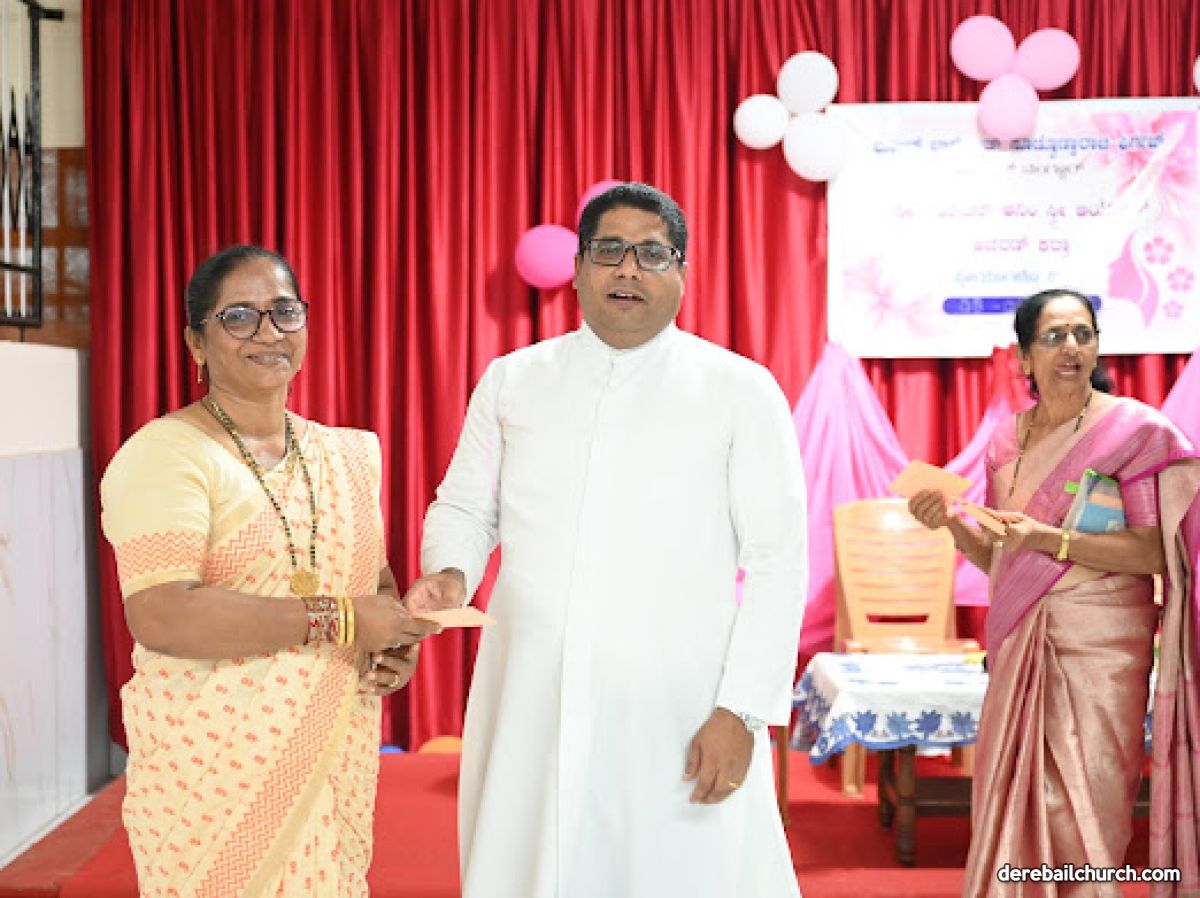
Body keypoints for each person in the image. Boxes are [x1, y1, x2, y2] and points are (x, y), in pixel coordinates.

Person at [410, 183, 808, 897]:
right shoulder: (513, 380)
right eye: (609, 251)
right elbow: (466, 507)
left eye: (652, 254)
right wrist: (449, 572)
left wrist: (742, 711)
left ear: (682, 272)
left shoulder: (739, 389)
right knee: (533, 862)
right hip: (534, 687)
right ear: (578, 268)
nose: (628, 269)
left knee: (681, 871)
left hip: (680, 697)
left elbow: (779, 561)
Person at [100, 245, 440, 898]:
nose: (268, 332)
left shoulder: (345, 454)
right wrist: (344, 620)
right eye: (239, 316)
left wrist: (392, 644)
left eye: (285, 311)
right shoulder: (165, 456)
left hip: (330, 764)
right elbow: (163, 614)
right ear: (195, 343)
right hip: (211, 779)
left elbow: (374, 582)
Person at [908, 288, 1200, 896]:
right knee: (1014, 796)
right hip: (1021, 641)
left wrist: (1050, 539)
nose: (1071, 347)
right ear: (1024, 357)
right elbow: (1003, 558)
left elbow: (1152, 552)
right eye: (1053, 336)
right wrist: (954, 525)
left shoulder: (1131, 432)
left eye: (1082, 334)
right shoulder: (1003, 443)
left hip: (1102, 647)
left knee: (1086, 804)